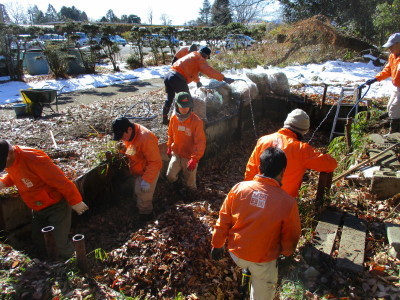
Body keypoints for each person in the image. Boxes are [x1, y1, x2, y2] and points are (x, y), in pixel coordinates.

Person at [211, 147, 301, 300]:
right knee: (263, 289)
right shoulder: (288, 202)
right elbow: (291, 238)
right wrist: (286, 253)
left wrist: (217, 244)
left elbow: (223, 219)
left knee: (247, 264)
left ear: (259, 167)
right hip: (262, 260)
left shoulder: (239, 188)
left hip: (236, 254)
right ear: (282, 172)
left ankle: (246, 270)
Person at [0, 140, 88, 259]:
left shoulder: (34, 160)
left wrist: (75, 201)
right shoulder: (10, 161)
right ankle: (50, 262)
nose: (4, 167)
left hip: (56, 206)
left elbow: (60, 181)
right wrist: (3, 183)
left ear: (10, 153)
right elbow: (16, 175)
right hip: (37, 207)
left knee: (58, 244)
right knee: (39, 240)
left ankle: (76, 261)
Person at [244, 109, 337, 198]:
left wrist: (248, 193)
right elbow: (330, 164)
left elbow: (250, 169)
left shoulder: (263, 140)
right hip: (282, 202)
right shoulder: (301, 149)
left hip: (257, 195)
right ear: (303, 131)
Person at [162, 46, 235, 125]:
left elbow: (192, 72)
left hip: (168, 75)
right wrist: (224, 78)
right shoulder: (199, 59)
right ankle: (185, 123)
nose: (206, 59)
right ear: (206, 55)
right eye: (207, 57)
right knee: (186, 100)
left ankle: (165, 119)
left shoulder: (193, 55)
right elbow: (209, 71)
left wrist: (197, 81)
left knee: (170, 98)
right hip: (177, 78)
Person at [112, 117, 162, 220]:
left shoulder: (146, 138)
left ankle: (146, 217)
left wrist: (147, 180)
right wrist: (123, 150)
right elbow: (133, 151)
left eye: (122, 136)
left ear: (129, 129)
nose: (121, 139)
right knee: (138, 192)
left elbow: (155, 162)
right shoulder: (130, 135)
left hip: (148, 171)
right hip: (138, 170)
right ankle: (140, 209)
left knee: (144, 197)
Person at [166, 92, 206, 190]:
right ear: (176, 106)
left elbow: (200, 142)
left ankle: (191, 196)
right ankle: (177, 186)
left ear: (190, 106)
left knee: (190, 184)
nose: (184, 109)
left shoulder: (196, 122)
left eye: (186, 106)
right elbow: (170, 134)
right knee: (170, 176)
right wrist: (169, 146)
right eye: (181, 106)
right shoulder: (173, 118)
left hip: (190, 157)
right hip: (177, 153)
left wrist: (195, 158)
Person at [364, 33, 400, 133]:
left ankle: (394, 133)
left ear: (398, 44)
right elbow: (388, 70)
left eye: (391, 46)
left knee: (394, 108)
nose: (389, 49)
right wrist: (376, 79)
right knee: (389, 107)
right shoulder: (393, 57)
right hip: (396, 86)